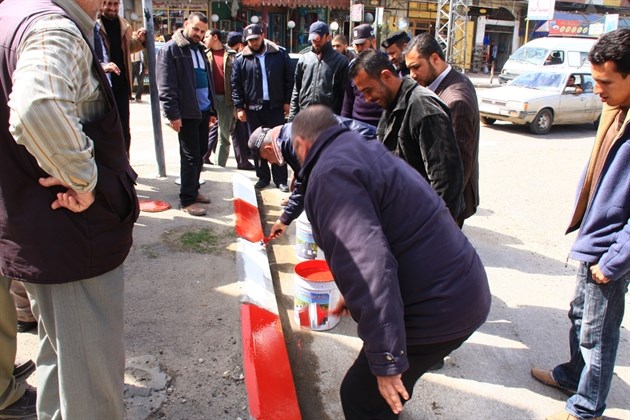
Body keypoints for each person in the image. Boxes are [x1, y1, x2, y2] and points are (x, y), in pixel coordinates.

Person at [291, 105, 491, 419]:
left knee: (360, 396)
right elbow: (377, 240)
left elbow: (369, 265)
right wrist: (352, 296)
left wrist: (386, 360)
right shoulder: (356, 147)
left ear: (301, 143)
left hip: (441, 306)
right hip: (462, 287)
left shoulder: (329, 174)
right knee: (381, 394)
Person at [0, 0, 140, 418]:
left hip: (42, 232)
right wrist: (85, 180)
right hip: (74, 238)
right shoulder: (53, 29)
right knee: (89, 390)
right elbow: (35, 107)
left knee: (61, 364)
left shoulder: (12, 14)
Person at [530, 28, 630, 420]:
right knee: (579, 316)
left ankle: (586, 407)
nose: (596, 90)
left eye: (606, 82)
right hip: (595, 239)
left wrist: (614, 260)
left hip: (611, 250)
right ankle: (574, 376)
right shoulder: (616, 109)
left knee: (598, 335)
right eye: (595, 80)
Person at [349, 49, 464, 220]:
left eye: (369, 90)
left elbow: (446, 182)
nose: (367, 99)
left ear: (386, 76)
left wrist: (433, 228)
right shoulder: (391, 103)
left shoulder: (423, 108)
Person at [247, 116, 377, 239]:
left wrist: (284, 219)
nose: (270, 163)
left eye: (266, 159)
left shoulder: (293, 142)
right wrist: (285, 219)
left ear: (269, 149)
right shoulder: (287, 137)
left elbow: (306, 185)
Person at [404, 34, 480, 227]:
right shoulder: (444, 84)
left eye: (416, 67)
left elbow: (455, 171)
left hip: (447, 208)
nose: (412, 75)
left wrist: (437, 218)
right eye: (409, 69)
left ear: (435, 58)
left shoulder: (455, 100)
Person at [157, 12, 217, 216]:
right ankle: (187, 200)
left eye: (202, 31)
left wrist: (212, 110)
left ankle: (193, 189)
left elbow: (207, 81)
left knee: (200, 153)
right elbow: (166, 85)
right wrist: (173, 115)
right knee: (190, 157)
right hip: (187, 113)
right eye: (196, 29)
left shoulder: (200, 50)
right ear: (186, 25)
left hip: (203, 111)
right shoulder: (171, 49)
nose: (198, 34)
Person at [231, 23, 292, 191]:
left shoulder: (279, 54)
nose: (254, 43)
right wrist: (239, 107)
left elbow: (289, 79)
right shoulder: (241, 59)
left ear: (263, 36)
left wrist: (287, 101)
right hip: (253, 108)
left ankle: (280, 179)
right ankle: (263, 177)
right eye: (250, 40)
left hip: (275, 106)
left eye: (256, 39)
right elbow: (236, 85)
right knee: (257, 144)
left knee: (277, 142)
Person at [98, 0, 146, 154]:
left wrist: (140, 41)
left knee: (124, 128)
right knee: (105, 128)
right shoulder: (94, 24)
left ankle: (125, 162)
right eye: (108, 4)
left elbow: (127, 48)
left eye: (115, 4)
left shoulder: (124, 24)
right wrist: (102, 65)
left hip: (122, 84)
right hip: (102, 85)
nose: (112, 8)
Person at [288, 21, 349, 120]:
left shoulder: (341, 61)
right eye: (313, 40)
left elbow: (346, 97)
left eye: (318, 39)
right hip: (305, 118)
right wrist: (292, 118)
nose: (315, 43)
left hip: (329, 120)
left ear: (328, 37)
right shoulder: (304, 59)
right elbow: (296, 90)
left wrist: (343, 121)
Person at [204, 29, 240, 168]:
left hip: (226, 99)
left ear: (215, 37)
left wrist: (238, 104)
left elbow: (237, 79)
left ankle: (220, 165)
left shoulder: (231, 55)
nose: (204, 39)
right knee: (203, 131)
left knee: (223, 134)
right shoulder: (203, 54)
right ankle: (201, 160)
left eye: (206, 36)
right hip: (208, 98)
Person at [341, 23, 383, 127]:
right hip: (357, 126)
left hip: (380, 126)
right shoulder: (352, 66)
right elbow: (348, 101)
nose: (359, 48)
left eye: (362, 44)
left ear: (373, 41)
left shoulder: (386, 64)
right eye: (356, 45)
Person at [225, 31, 255, 171]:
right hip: (232, 101)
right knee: (232, 130)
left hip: (234, 100)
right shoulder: (235, 58)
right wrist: (238, 105)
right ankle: (242, 160)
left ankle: (243, 159)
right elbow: (235, 83)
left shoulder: (231, 56)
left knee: (233, 130)